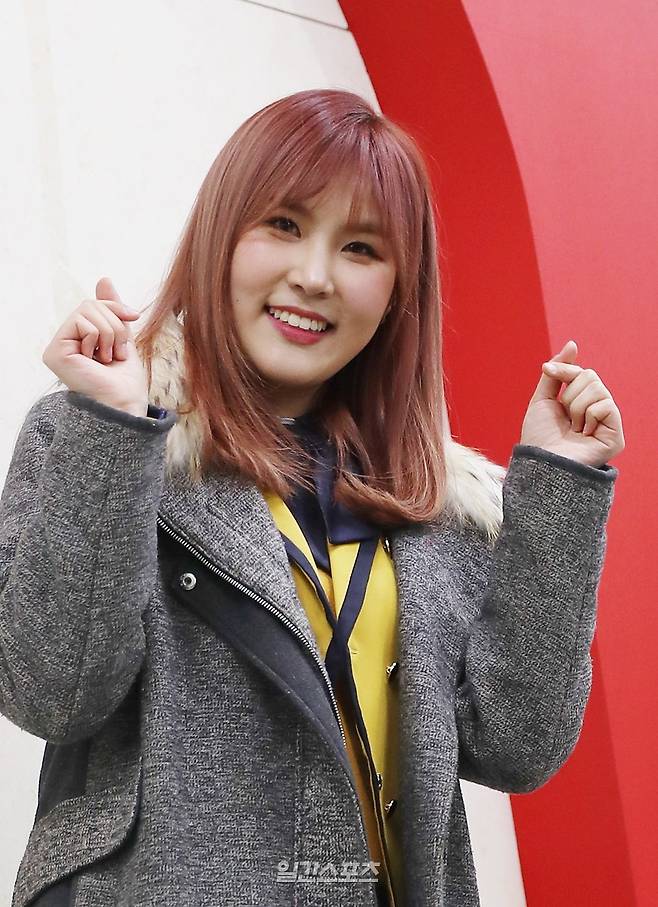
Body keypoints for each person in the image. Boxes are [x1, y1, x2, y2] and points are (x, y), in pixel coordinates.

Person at [0, 88, 623, 907]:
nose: (315, 276)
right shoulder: (105, 436)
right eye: (284, 224)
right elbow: (52, 693)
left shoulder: (430, 497)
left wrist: (557, 486)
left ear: (399, 288)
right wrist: (114, 430)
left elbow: (517, 746)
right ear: (222, 233)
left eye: (361, 247)